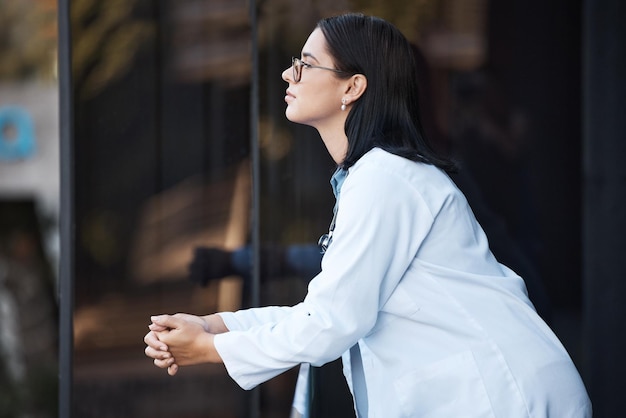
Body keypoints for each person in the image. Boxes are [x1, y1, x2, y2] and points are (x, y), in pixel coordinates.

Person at [144, 13, 592, 417]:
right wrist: (211, 325)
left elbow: (331, 323)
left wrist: (210, 348)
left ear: (352, 86)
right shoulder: (374, 177)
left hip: (504, 396)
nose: (288, 73)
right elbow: (324, 310)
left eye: (305, 63)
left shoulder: (386, 178)